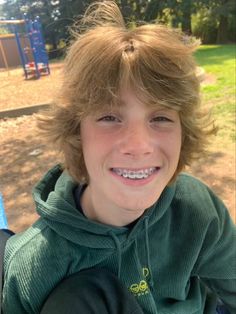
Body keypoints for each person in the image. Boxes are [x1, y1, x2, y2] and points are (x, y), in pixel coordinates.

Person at [2, 1, 236, 313]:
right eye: (110, 117)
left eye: (161, 118)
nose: (139, 145)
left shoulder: (197, 208)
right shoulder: (33, 269)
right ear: (77, 132)